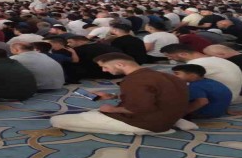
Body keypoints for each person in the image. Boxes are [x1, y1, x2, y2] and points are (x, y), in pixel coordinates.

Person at [50, 53, 188, 135]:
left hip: (147, 123)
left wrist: (112, 109)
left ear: (120, 65)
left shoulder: (134, 80)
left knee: (57, 120)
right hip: (169, 117)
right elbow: (154, 95)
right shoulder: (164, 75)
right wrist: (115, 96)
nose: (104, 71)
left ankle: (132, 130)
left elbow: (140, 108)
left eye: (105, 67)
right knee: (91, 114)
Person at [160, 44, 242, 103]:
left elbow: (182, 83)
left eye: (170, 56)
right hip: (231, 94)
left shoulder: (195, 64)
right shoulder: (215, 59)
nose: (169, 58)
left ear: (183, 54)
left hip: (222, 99)